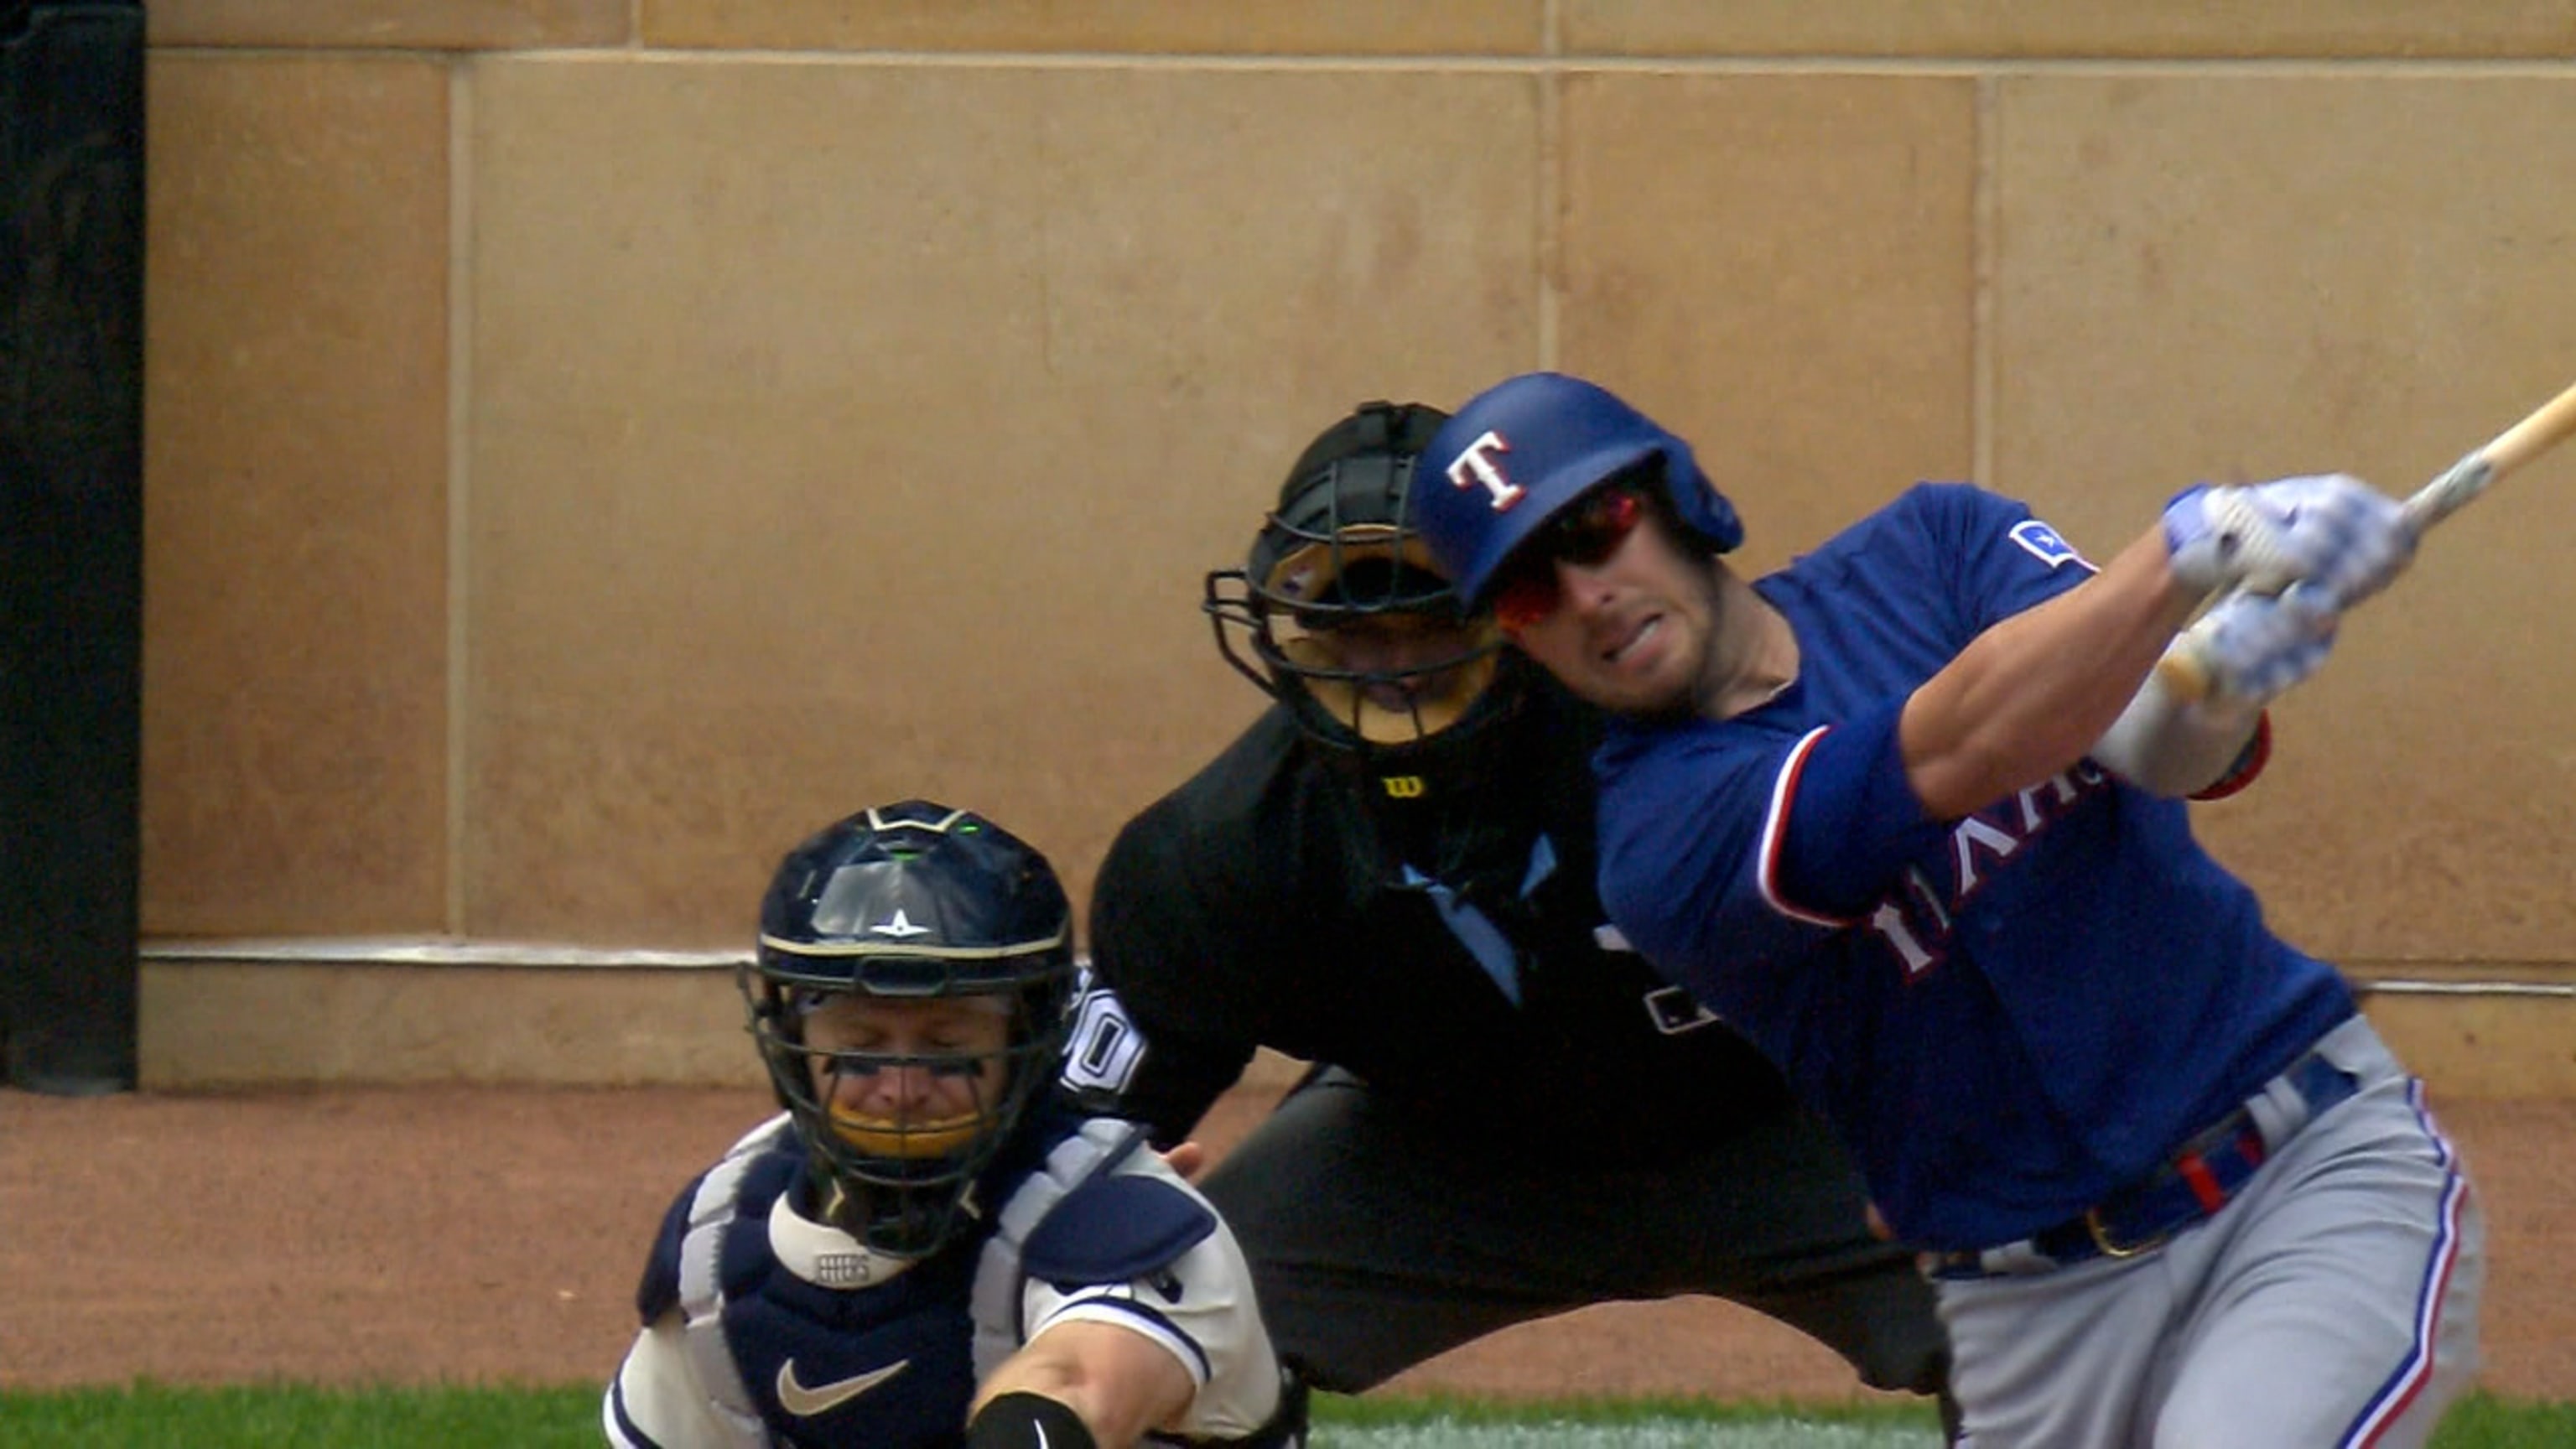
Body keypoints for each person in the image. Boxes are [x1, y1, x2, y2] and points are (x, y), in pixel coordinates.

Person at [1405, 370, 2487, 1447]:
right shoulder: (1656, 839)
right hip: (2030, 1319)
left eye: (1597, 527)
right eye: (1531, 590)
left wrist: (2215, 683)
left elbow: (2141, 739)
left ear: (1674, 494)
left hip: (2296, 1181)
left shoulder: (1935, 548)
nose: (1587, 593)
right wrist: (2185, 550)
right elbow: (1963, 744)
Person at [1062, 402, 1955, 1428]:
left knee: (2044, 1250)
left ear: (1516, 609)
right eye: (1352, 630)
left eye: (1433, 617)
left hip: (1787, 1113)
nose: (1392, 668)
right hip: (1434, 1157)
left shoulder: (1699, 743)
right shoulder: (1223, 853)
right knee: (1139, 1316)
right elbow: (1065, 1157)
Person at [603, 799, 1299, 1449]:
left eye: (948, 1046)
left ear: (1029, 1038)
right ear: (792, 1036)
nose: (901, 1089)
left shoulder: (1129, 1224)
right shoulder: (723, 1237)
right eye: (860, 1044)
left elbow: (1078, 1386)